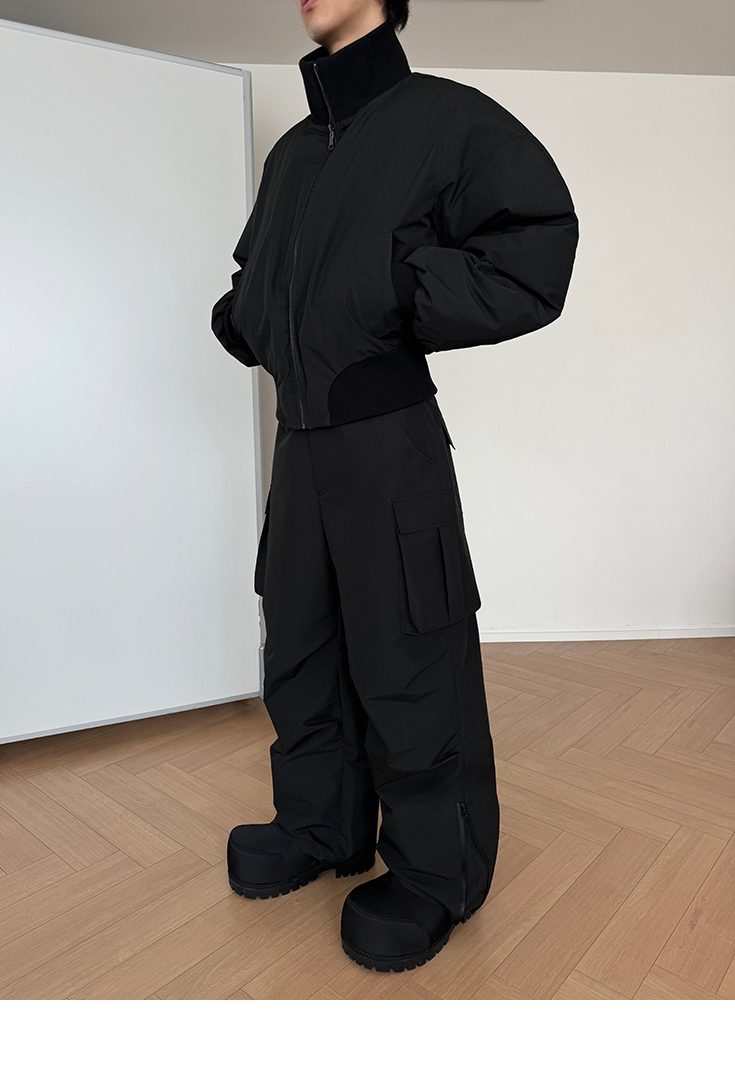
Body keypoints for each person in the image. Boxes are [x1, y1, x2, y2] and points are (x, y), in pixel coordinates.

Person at [211, 0, 579, 973]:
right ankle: (321, 823)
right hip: (300, 444)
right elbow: (262, 274)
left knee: (408, 648)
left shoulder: (444, 121)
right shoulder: (293, 154)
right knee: (300, 641)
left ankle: (433, 869)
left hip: (387, 439)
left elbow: (537, 245)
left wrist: (399, 287)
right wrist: (246, 314)